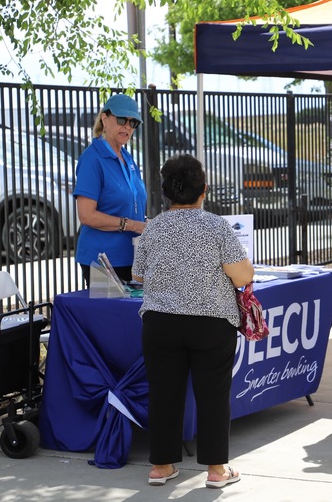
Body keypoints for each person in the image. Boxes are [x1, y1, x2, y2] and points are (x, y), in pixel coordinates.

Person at [132, 154, 253, 488]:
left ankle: (160, 466)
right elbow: (243, 274)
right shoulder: (216, 226)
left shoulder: (154, 226)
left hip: (160, 322)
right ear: (204, 189)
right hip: (210, 322)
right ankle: (216, 471)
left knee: (163, 394)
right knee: (213, 395)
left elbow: (138, 275)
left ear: (167, 191)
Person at [74, 93, 148, 285]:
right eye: (122, 119)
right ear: (104, 119)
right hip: (101, 261)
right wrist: (133, 225)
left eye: (133, 123)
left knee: (131, 314)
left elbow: (134, 206)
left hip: (133, 259)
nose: (127, 126)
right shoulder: (92, 158)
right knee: (107, 314)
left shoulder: (128, 157)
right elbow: (87, 216)